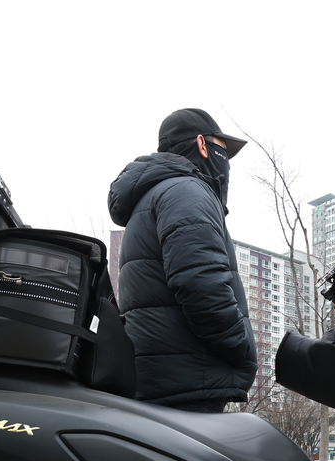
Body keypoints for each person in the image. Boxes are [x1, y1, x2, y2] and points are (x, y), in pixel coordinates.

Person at [107, 109, 256, 412]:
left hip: (165, 379)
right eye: (221, 150)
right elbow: (200, 284)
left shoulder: (154, 195)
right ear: (202, 145)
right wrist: (241, 347)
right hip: (188, 385)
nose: (224, 162)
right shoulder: (186, 190)